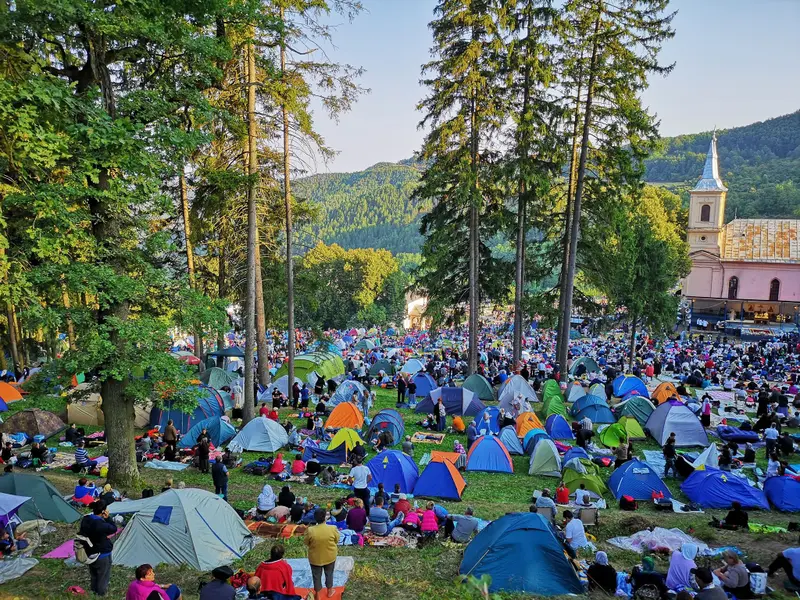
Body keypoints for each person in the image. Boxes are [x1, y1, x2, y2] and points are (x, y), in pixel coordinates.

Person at [79, 500, 117, 596]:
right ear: (104, 511)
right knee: (103, 575)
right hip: (102, 553)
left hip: (89, 551)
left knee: (94, 574)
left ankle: (93, 590)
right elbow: (113, 528)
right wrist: (108, 518)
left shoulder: (86, 519)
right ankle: (100, 594)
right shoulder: (100, 524)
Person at [305, 508, 339, 598]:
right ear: (325, 517)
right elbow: (337, 540)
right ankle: (329, 591)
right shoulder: (333, 528)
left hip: (315, 558)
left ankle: (318, 595)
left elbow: (306, 542)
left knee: (316, 576)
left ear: (315, 518)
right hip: (330, 556)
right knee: (329, 573)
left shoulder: (310, 530)